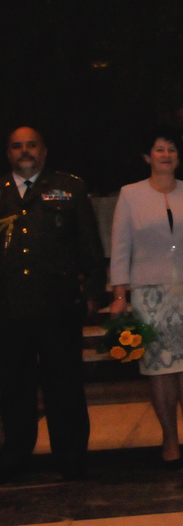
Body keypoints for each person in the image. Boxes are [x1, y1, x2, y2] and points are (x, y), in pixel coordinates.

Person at [109, 127, 183, 469]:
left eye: (171, 149)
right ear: (147, 157)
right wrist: (119, 294)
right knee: (158, 370)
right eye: (159, 149)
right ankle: (169, 437)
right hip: (149, 295)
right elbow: (120, 248)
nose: (166, 155)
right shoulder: (129, 195)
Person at [0, 127, 105, 481]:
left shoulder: (69, 188)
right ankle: (15, 453)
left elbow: (90, 245)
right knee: (14, 386)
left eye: (31, 145)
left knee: (65, 385)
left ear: (44, 151)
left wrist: (92, 290)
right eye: (17, 146)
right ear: (8, 152)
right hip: (8, 309)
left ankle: (72, 455)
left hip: (58, 306)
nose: (24, 151)